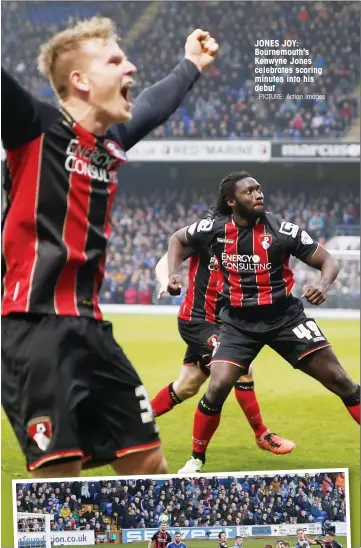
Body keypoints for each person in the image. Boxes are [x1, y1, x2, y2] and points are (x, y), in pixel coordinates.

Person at [1, 16, 219, 478]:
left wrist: (191, 64)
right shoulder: (34, 127)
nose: (131, 68)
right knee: (58, 481)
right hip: (32, 328)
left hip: (92, 330)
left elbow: (152, 107)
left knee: (149, 465)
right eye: (115, 60)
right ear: (79, 80)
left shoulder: (110, 142)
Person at [167, 171, 360, 472]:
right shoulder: (215, 228)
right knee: (217, 385)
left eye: (259, 190)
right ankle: (196, 459)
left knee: (341, 380)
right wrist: (172, 275)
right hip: (237, 323)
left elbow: (327, 260)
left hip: (285, 318)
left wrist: (322, 286)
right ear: (231, 201)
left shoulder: (282, 230)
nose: (259, 195)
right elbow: (177, 238)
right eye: (250, 191)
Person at [152, 247, 295, 455]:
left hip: (226, 325)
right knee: (242, 367)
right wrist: (165, 280)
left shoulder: (245, 239)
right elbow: (166, 259)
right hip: (198, 321)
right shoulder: (205, 233)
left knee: (187, 386)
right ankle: (262, 434)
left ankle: (137, 420)